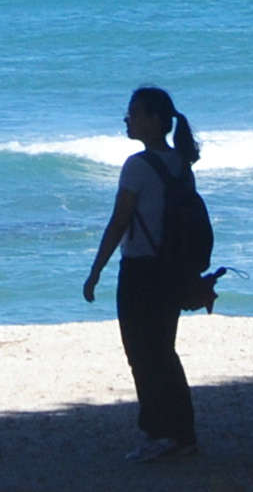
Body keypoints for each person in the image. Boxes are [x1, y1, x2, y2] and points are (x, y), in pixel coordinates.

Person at [83, 85, 201, 462]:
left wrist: (95, 270)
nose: (127, 120)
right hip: (173, 269)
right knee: (163, 350)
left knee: (143, 354)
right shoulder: (181, 163)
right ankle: (181, 432)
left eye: (133, 113)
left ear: (153, 119)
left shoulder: (137, 165)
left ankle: (159, 433)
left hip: (141, 271)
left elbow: (119, 221)